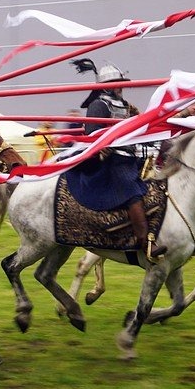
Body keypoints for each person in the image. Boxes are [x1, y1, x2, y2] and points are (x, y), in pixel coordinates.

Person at [74, 59, 162, 258]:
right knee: (132, 192)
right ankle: (144, 242)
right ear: (107, 87)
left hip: (130, 155)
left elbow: (138, 125)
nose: (121, 87)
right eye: (117, 83)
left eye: (121, 83)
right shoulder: (98, 105)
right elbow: (93, 133)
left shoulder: (125, 106)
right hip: (112, 160)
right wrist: (113, 141)